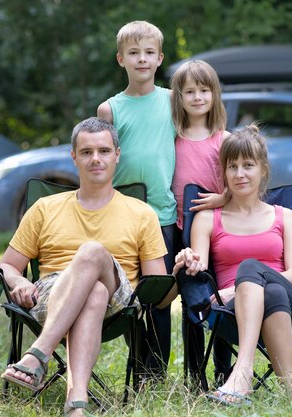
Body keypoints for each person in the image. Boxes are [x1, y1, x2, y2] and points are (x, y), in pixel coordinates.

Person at [0, 117, 167, 416]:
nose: (96, 159)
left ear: (117, 154)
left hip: (119, 301)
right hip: (52, 293)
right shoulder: (44, 208)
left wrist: (180, 272)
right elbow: (8, 266)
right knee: (94, 291)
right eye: (87, 152)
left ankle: (38, 354)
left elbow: (158, 287)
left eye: (103, 151)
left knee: (91, 253)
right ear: (74, 156)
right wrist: (20, 282)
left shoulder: (141, 213)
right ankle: (76, 402)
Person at [173, 123, 292, 404]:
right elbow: (199, 267)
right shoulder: (207, 218)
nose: (239, 174)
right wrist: (187, 257)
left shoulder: (284, 216)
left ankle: (242, 372)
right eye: (232, 166)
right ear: (223, 172)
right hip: (232, 313)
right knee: (269, 292)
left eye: (248, 165)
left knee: (251, 269)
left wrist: (237, 287)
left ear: (263, 169)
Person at [97, 20, 176, 379]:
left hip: (163, 213)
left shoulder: (173, 101)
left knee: (158, 298)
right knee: (129, 297)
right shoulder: (110, 110)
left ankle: (156, 373)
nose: (141, 59)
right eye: (133, 53)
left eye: (148, 53)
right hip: (125, 218)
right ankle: (139, 367)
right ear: (120, 59)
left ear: (159, 58)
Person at [169, 59, 231, 384]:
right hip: (183, 232)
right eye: (189, 91)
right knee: (191, 299)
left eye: (203, 90)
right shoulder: (172, 139)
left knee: (219, 299)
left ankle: (224, 371)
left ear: (213, 94)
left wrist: (222, 199)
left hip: (220, 234)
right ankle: (195, 375)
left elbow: (241, 186)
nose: (197, 97)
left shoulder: (224, 140)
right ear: (178, 96)